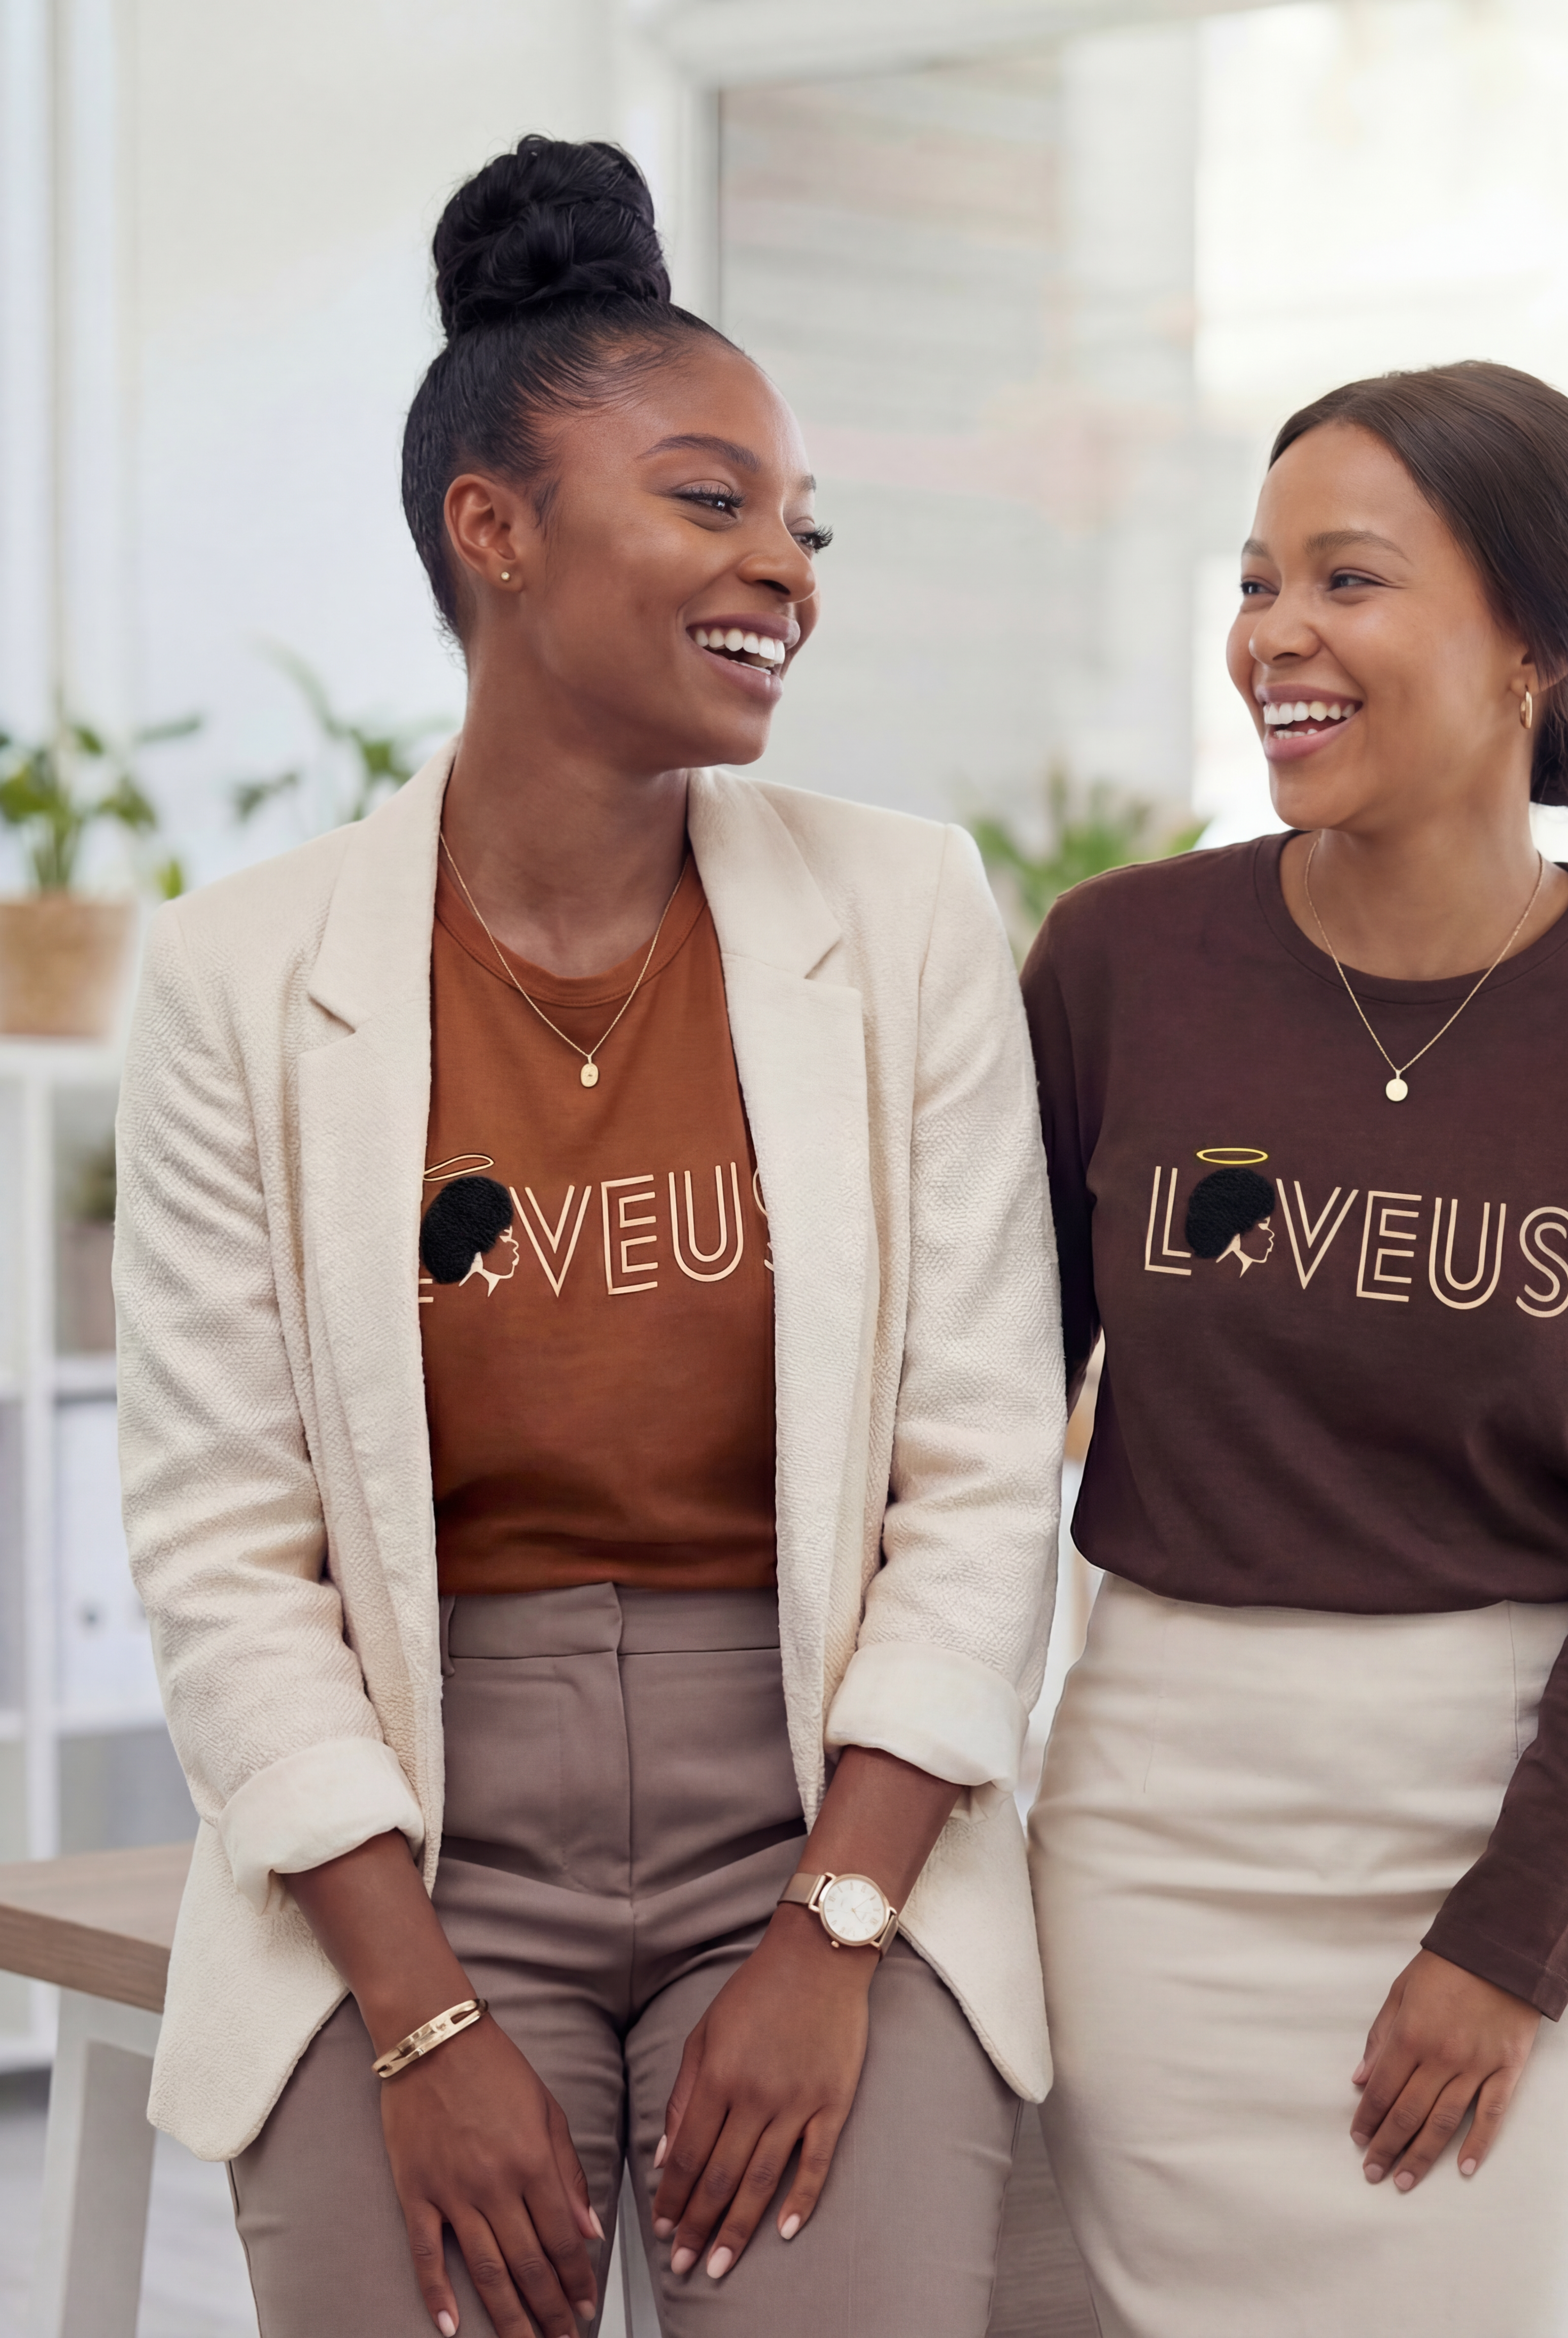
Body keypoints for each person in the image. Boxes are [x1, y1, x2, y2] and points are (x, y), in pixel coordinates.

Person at [115, 135, 1064, 2338]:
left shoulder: (902, 911)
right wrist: (422, 2019)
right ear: (498, 530)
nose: (783, 568)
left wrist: (834, 1930)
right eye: (713, 501)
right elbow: (221, 1542)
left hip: (821, 1804)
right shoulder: (241, 975)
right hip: (408, 1841)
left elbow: (983, 1478)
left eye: (801, 524)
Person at [1021, 361, 1568, 2338]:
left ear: (1535, 641)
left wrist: (1515, 1940)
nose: (1274, 633)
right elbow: (978, 1427)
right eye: (1256, 581)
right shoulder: (1115, 964)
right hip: (1158, 1850)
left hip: (1519, 1823)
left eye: (1346, 580)